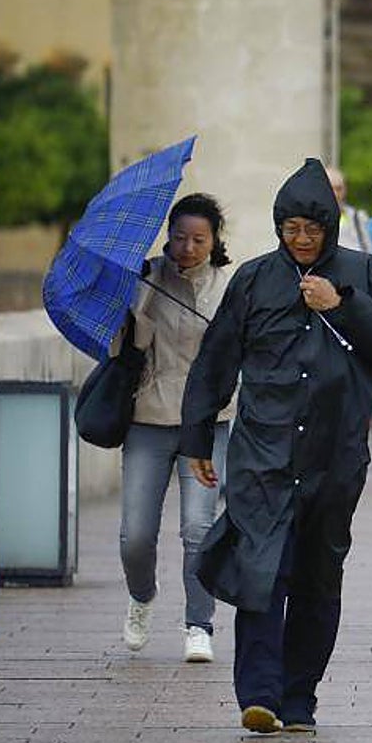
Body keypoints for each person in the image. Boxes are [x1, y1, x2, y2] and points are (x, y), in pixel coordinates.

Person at [181, 159, 372, 735]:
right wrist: (197, 436)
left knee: (316, 577)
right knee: (262, 570)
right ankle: (257, 695)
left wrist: (342, 303)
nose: (302, 239)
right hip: (263, 454)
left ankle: (298, 696)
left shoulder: (366, 272)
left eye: (312, 229)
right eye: (292, 229)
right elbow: (216, 361)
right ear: (279, 227)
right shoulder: (255, 279)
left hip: (334, 459)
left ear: (330, 227)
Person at [119, 193, 233, 664]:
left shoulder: (229, 286)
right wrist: (139, 302)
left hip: (206, 422)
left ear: (214, 241)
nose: (187, 247)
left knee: (198, 528)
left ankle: (198, 624)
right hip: (148, 415)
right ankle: (142, 596)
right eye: (180, 237)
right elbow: (124, 350)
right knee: (136, 535)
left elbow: (240, 350)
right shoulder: (144, 277)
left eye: (198, 239)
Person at [326, 165, 372, 254]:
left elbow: (369, 251)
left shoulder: (358, 218)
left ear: (345, 190)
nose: (335, 194)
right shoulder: (313, 219)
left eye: (339, 189)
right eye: (331, 188)